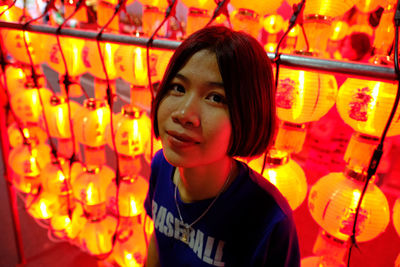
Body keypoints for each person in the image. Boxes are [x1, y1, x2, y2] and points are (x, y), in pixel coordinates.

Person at [144, 25, 300, 267]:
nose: (184, 113)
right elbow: (158, 239)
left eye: (215, 97)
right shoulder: (161, 165)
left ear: (248, 114)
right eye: (178, 87)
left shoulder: (269, 217)